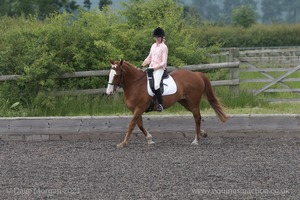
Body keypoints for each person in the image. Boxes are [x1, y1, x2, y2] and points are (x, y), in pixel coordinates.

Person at [141, 27, 168, 112]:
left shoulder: (164, 47)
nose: (158, 39)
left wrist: (154, 68)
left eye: (159, 37)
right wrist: (142, 65)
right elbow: (149, 57)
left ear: (162, 37)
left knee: (156, 85)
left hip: (159, 69)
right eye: (156, 37)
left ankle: (160, 104)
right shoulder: (153, 46)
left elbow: (163, 62)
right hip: (151, 67)